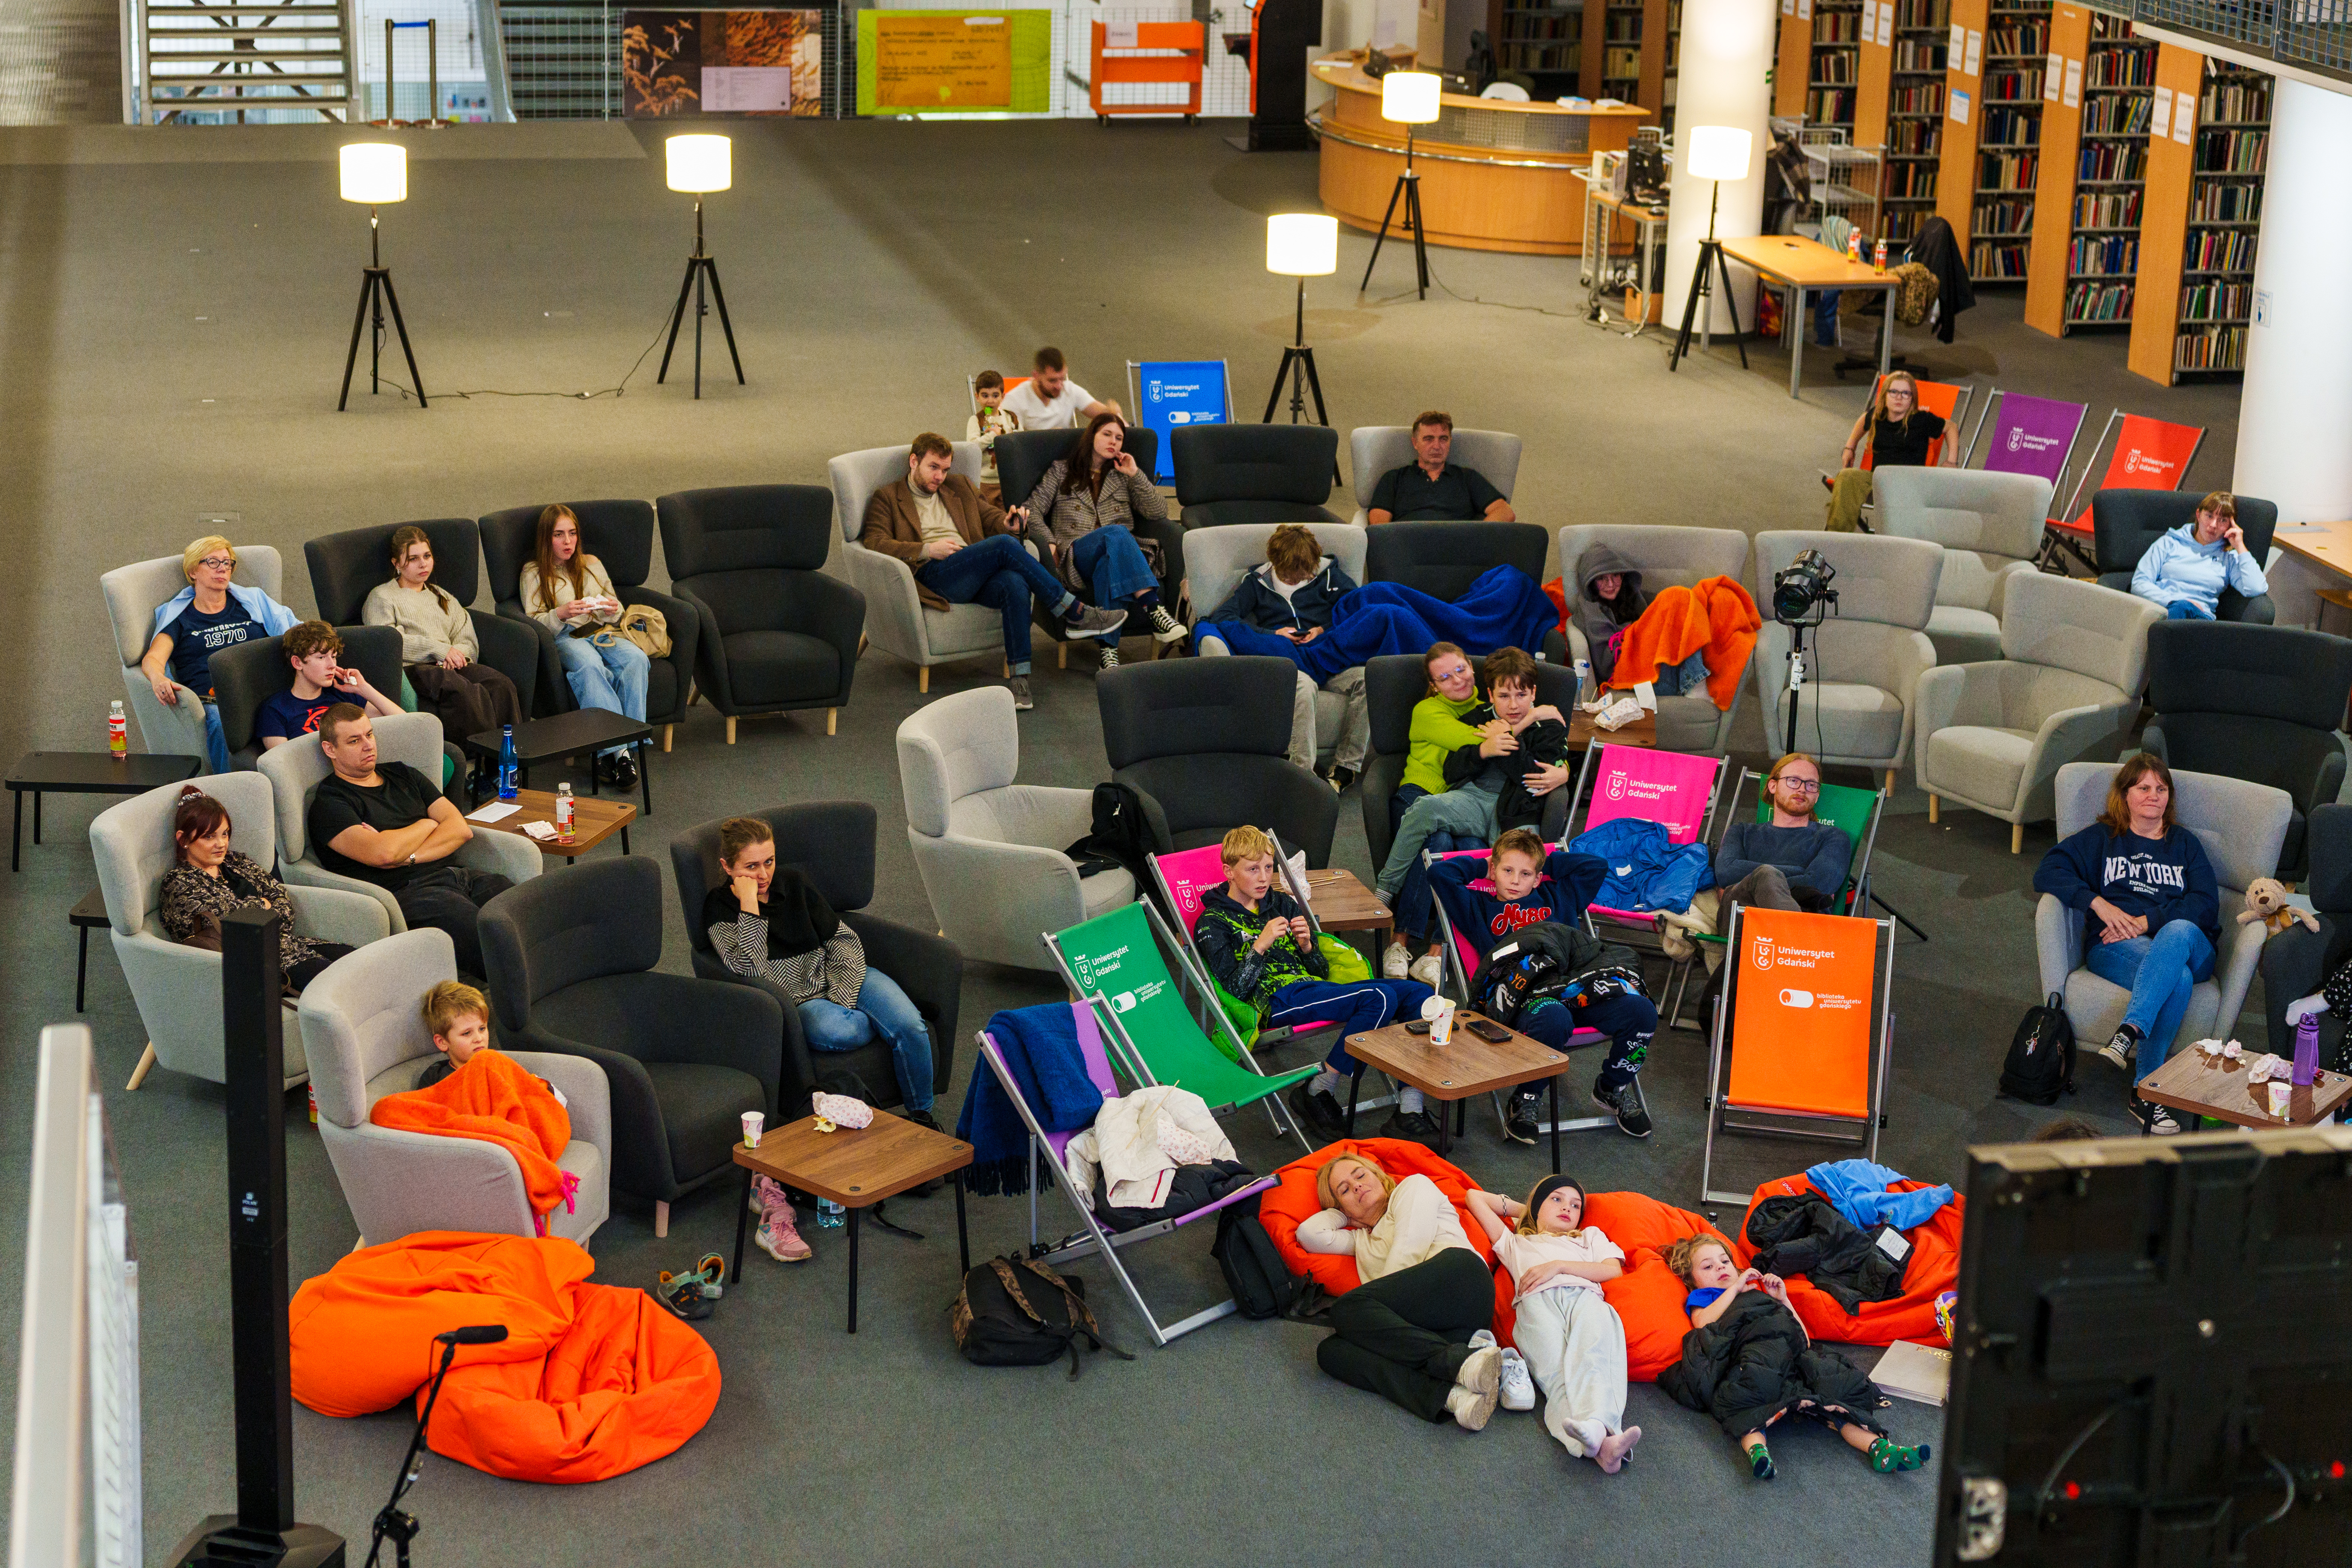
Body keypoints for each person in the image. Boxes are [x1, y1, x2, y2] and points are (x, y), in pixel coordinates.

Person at [1192, 826, 1437, 1144]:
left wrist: (1308, 947)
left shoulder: (1281, 904)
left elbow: (1320, 970)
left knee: (1420, 994)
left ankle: (1409, 1108)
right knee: (1379, 997)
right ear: (1229, 872)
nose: (1264, 877)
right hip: (1274, 1001)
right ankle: (1318, 1090)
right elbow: (1234, 991)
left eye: (1269, 868)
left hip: (1309, 988)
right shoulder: (1212, 922)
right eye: (1253, 869)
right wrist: (1260, 946)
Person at [859, 432, 1127, 711]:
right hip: (935, 574)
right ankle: (1075, 613)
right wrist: (927, 549)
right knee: (1003, 547)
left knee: (1014, 582)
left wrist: (1007, 523)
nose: (940, 477)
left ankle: (1019, 680)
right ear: (914, 462)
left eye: (945, 469)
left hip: (973, 569)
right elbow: (875, 542)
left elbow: (988, 516)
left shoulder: (959, 486)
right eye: (933, 468)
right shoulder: (888, 497)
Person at [702, 817, 938, 1127]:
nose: (763, 875)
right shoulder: (718, 907)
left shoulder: (795, 883)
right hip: (800, 1000)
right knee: (845, 1031)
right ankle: (880, 1026)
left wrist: (843, 994)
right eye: (751, 867)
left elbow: (843, 939)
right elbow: (751, 968)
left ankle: (922, 1116)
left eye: (769, 862)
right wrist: (749, 905)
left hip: (845, 975)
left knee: (911, 1026)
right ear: (728, 866)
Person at [1431, 828, 1660, 1141]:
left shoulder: (1558, 896)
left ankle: (1612, 1086)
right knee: (1554, 1017)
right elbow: (1440, 874)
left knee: (1642, 1010)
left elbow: (1594, 866)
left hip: (1580, 987)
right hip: (1525, 996)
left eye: (1525, 874)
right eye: (1507, 871)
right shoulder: (1478, 907)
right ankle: (1526, 1097)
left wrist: (1545, 862)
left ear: (1538, 879)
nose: (1514, 880)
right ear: (1494, 872)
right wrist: (1480, 865)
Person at [2031, 752, 2218, 1134]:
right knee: (2176, 979)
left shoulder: (2185, 845)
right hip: (2116, 948)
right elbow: (2048, 869)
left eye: (2162, 789)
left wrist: (2147, 920)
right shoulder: (2104, 839)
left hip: (2190, 945)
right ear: (2125, 794)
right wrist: (2098, 903)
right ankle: (2146, 1092)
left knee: (2178, 931)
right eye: (2144, 787)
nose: (2155, 795)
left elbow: (2206, 903)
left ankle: (2129, 1030)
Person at [1661, 1235, 1926, 1480]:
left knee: (1830, 1388)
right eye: (1708, 1267)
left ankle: (1880, 1448)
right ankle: (1758, 1453)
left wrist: (1783, 1300)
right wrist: (1735, 1289)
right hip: (1747, 1357)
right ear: (1692, 1280)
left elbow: (1800, 1339)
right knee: (1749, 1396)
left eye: (1724, 1261)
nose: (1720, 1268)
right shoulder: (1705, 1297)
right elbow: (1701, 1323)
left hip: (1789, 1361)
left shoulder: (1756, 1295)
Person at [1377, 646, 1569, 983]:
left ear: (1533, 694)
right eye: (1504, 696)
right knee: (1424, 809)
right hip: (1472, 798)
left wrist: (1520, 727)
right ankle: (1384, 889)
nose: (1512, 705)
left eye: (1521, 696)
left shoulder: (1548, 725)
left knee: (1517, 871)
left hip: (1514, 811)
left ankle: (1510, 951)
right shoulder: (1477, 716)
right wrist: (1483, 749)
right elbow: (1452, 768)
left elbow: (1527, 774)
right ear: (1491, 694)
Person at [1293, 1153, 1513, 1431]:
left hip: (1461, 1283)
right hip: (1430, 1328)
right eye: (1344, 1190)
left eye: (1360, 1176)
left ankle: (1455, 1364)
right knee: (1330, 1352)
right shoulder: (1360, 1241)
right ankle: (1453, 1395)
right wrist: (1343, 1214)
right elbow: (1309, 1234)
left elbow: (1409, 1250)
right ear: (1342, 1208)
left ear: (1380, 1177)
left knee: (1346, 1311)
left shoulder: (1412, 1188)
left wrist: (1375, 1320)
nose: (1357, 1186)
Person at [308, 706, 512, 982]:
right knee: (492, 942)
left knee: (522, 912)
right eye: (354, 741)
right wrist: (428, 824)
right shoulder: (331, 802)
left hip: (460, 875)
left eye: (369, 735)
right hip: (411, 893)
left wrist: (408, 853)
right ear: (330, 749)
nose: (368, 745)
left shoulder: (403, 774)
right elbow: (385, 854)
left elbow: (460, 830)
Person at [1463, 1178, 1641, 1471]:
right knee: (1556, 1375)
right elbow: (1474, 1198)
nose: (1567, 1208)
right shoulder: (1514, 1242)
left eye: (1575, 1205)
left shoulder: (1588, 1237)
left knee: (1593, 1357)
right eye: (1556, 1200)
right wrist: (1530, 1213)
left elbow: (1612, 1272)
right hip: (1536, 1305)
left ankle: (1596, 1426)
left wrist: (1557, 1266)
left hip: (1585, 1296)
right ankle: (1603, 1447)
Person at [1203, 523, 1369, 789]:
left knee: (1368, 678)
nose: (1298, 580)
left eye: (1305, 575)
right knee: (1302, 687)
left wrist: (1322, 629)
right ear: (1275, 563)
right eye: (1290, 577)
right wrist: (1273, 633)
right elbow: (1223, 617)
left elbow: (1359, 613)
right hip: (1292, 661)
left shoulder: (1331, 577)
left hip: (1331, 658)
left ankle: (1346, 767)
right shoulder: (1256, 583)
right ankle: (1302, 774)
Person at [1020, 411, 1187, 665]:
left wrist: (1135, 474)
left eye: (1119, 438)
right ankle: (1153, 608)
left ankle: (1108, 652)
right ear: (1092, 436)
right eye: (1107, 435)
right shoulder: (1060, 471)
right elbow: (1031, 512)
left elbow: (1158, 512)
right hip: (1077, 555)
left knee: (1108, 565)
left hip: (1118, 557)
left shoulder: (1123, 475)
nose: (1114, 442)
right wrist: (1049, 541)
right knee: (1117, 532)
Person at [363, 526, 523, 788]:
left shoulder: (442, 595)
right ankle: (473, 769)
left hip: (453, 662)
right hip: (415, 668)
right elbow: (388, 642)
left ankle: (505, 767)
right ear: (397, 564)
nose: (423, 564)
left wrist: (458, 656)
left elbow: (466, 635)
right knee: (464, 692)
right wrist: (439, 650)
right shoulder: (382, 597)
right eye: (413, 559)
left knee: (501, 685)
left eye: (427, 556)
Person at [159, 785, 355, 995]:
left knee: (361, 961)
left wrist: (258, 912)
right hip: (258, 968)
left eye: (225, 834)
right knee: (345, 988)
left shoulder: (236, 862)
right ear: (184, 839)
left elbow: (284, 906)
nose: (221, 844)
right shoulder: (179, 884)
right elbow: (239, 929)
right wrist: (263, 903)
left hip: (290, 944)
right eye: (209, 837)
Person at [140, 534, 299, 773]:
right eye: (212, 562)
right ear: (194, 571)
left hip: (262, 691)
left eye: (227, 563)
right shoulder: (180, 619)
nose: (222, 569)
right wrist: (158, 678)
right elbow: (153, 659)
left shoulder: (251, 604)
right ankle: (225, 794)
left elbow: (295, 632)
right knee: (222, 723)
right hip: (215, 701)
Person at [517, 503, 644, 789]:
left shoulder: (592, 564)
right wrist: (561, 613)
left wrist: (610, 608)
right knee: (590, 666)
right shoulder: (533, 572)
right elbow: (535, 624)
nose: (568, 542)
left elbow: (617, 610)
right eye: (559, 535)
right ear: (546, 538)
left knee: (636, 659)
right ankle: (622, 752)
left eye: (572, 534)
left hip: (601, 631)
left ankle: (617, 750)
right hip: (564, 638)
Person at [1712, 751, 1852, 932]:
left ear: (1817, 796)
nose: (1802, 789)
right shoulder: (1741, 832)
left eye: (1811, 785)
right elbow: (1725, 873)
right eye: (1793, 781)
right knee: (1764, 875)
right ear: (1773, 786)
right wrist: (1799, 872)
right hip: (1744, 919)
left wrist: (1760, 881)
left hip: (1805, 919)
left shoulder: (1834, 837)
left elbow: (1820, 884)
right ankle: (1791, 938)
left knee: (1765, 876)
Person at [1568, 543, 1712, 695]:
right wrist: (1643, 632)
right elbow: (1606, 668)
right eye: (1602, 579)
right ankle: (1696, 682)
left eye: (1615, 576)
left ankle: (1695, 679)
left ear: (1623, 575)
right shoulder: (1590, 612)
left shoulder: (1632, 597)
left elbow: (1671, 611)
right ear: (1590, 582)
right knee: (1676, 597)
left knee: (1688, 599)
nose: (1610, 585)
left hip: (1655, 668)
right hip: (1635, 680)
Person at [1824, 370, 1944, 532]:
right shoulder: (1879, 415)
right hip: (1878, 481)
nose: (1899, 397)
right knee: (1846, 477)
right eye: (1894, 392)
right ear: (1885, 395)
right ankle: (1835, 539)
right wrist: (1850, 447)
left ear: (1913, 398)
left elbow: (1950, 428)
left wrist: (1952, 460)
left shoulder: (1921, 420)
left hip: (1907, 484)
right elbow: (1863, 420)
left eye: (1906, 393)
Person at [254, 621, 398, 751]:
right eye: (321, 658)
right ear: (298, 663)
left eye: (333, 657)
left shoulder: (344, 694)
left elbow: (406, 726)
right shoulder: (274, 710)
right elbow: (283, 767)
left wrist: (364, 689)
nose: (332, 665)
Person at [2129, 490, 2267, 620]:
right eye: (2210, 516)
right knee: (2181, 609)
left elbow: (2256, 588)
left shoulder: (2229, 558)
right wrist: (2175, 601)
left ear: (2231, 526)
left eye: (2223, 521)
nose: (2213, 525)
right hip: (2161, 610)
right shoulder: (2169, 543)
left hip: (2200, 620)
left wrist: (2240, 546)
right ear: (2198, 515)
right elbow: (2139, 583)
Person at [1365, 412, 1516, 525]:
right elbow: (1379, 526)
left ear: (1450, 441)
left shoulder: (1467, 478)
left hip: (1458, 549)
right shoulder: (1394, 479)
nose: (1437, 446)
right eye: (1429, 439)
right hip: (1409, 548)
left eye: (1443, 439)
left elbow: (1505, 512)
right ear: (1415, 443)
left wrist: (1475, 539)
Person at [997, 346, 1119, 431]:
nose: (1059, 386)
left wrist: (1113, 412)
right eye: (1053, 380)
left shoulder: (1070, 389)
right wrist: (1049, 438)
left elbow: (1104, 414)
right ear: (1036, 376)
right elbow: (1011, 443)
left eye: (1062, 378)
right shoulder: (1015, 400)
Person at [415, 978, 493, 1090]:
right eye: (467, 1033)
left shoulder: (497, 1066)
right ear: (442, 1042)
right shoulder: (435, 1078)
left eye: (482, 1029)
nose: (479, 1038)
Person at [964, 369, 1021, 496]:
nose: (990, 401)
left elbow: (1022, 444)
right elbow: (972, 448)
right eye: (985, 396)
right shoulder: (976, 421)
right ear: (977, 397)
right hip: (986, 482)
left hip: (1010, 479)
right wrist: (993, 436)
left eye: (995, 396)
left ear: (1003, 396)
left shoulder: (1011, 418)